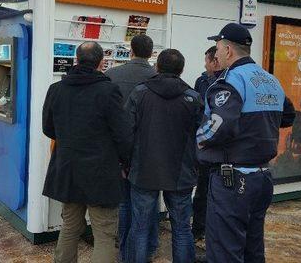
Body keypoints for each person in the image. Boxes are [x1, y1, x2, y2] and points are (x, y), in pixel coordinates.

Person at [197, 23, 295, 263]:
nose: (216, 54)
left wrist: (199, 139)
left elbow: (220, 125)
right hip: (261, 179)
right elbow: (288, 116)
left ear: (228, 50)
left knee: (224, 252)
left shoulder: (231, 80)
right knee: (253, 249)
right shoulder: (270, 79)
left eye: (218, 48)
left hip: (232, 180)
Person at [42, 42, 133, 263]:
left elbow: (48, 128)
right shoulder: (109, 90)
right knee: (104, 232)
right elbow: (122, 135)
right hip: (101, 172)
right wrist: (126, 163)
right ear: (101, 63)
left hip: (67, 169)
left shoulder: (56, 89)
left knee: (70, 226)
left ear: (76, 60)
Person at [125, 49, 202, 263]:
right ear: (182, 69)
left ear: (157, 67)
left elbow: (126, 132)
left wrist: (125, 163)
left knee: (139, 227)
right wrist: (195, 164)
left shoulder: (140, 93)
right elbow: (203, 136)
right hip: (181, 172)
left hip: (143, 170)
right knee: (182, 228)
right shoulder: (193, 98)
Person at [104, 34, 159, 262]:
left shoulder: (111, 75)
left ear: (131, 51)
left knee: (125, 201)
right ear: (151, 52)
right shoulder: (157, 77)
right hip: (150, 153)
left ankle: (125, 247)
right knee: (149, 203)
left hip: (118, 150)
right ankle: (149, 246)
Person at [192, 45, 221, 242]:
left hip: (220, 148)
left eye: (207, 60)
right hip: (203, 147)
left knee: (218, 195)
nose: (204, 63)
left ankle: (214, 232)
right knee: (201, 191)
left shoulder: (227, 83)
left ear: (214, 61)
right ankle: (197, 229)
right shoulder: (201, 81)